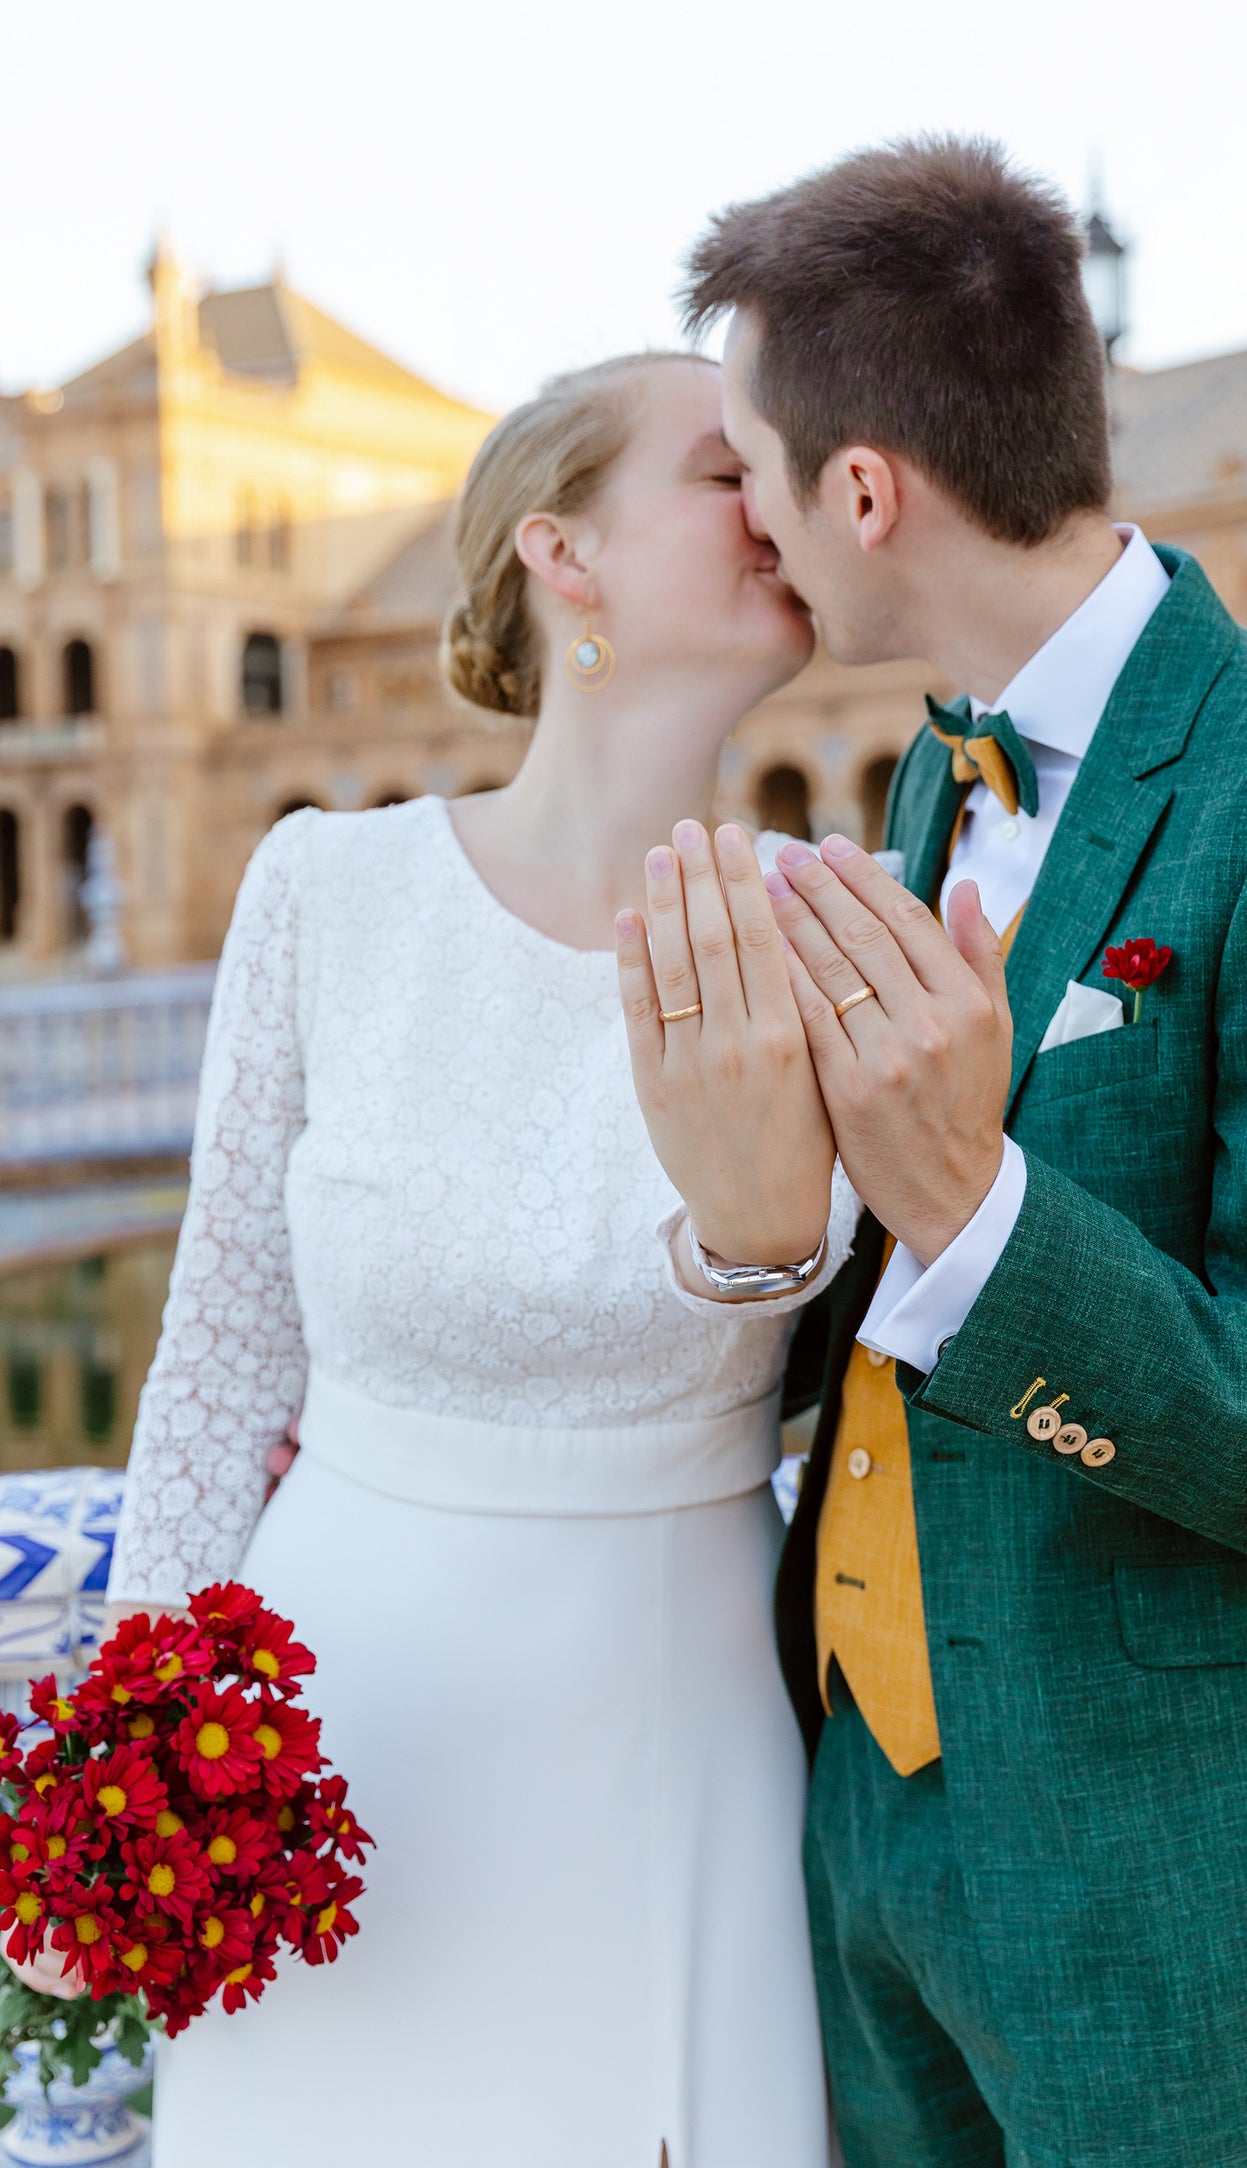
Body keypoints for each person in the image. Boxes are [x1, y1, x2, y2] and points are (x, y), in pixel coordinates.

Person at [617, 137, 1247, 2168]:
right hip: (879, 1813)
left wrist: (977, 1212)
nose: (758, 524)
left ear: (869, 490)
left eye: (760, 466)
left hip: (1176, 1868)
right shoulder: (927, 770)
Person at [104, 352, 857, 2168]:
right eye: (716, 468)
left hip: (681, 1723)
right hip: (334, 1719)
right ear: (561, 554)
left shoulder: (843, 919)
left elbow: (866, 1358)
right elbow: (217, 1355)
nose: (777, 495)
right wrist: (128, 1775)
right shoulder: (321, 894)